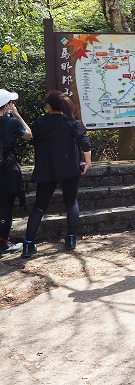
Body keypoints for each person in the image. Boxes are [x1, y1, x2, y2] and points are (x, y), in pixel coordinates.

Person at [21, 90, 92, 258]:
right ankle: (71, 239)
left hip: (46, 169)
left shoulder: (40, 123)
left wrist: (16, 115)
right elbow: (84, 143)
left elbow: (29, 135)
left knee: (39, 206)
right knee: (71, 202)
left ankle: (28, 244)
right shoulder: (72, 123)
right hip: (70, 168)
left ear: (49, 105)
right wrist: (87, 162)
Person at [0, 89, 32, 255]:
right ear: (6, 105)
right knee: (5, 206)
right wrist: (17, 115)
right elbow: (28, 135)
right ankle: (3, 243)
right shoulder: (11, 122)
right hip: (7, 170)